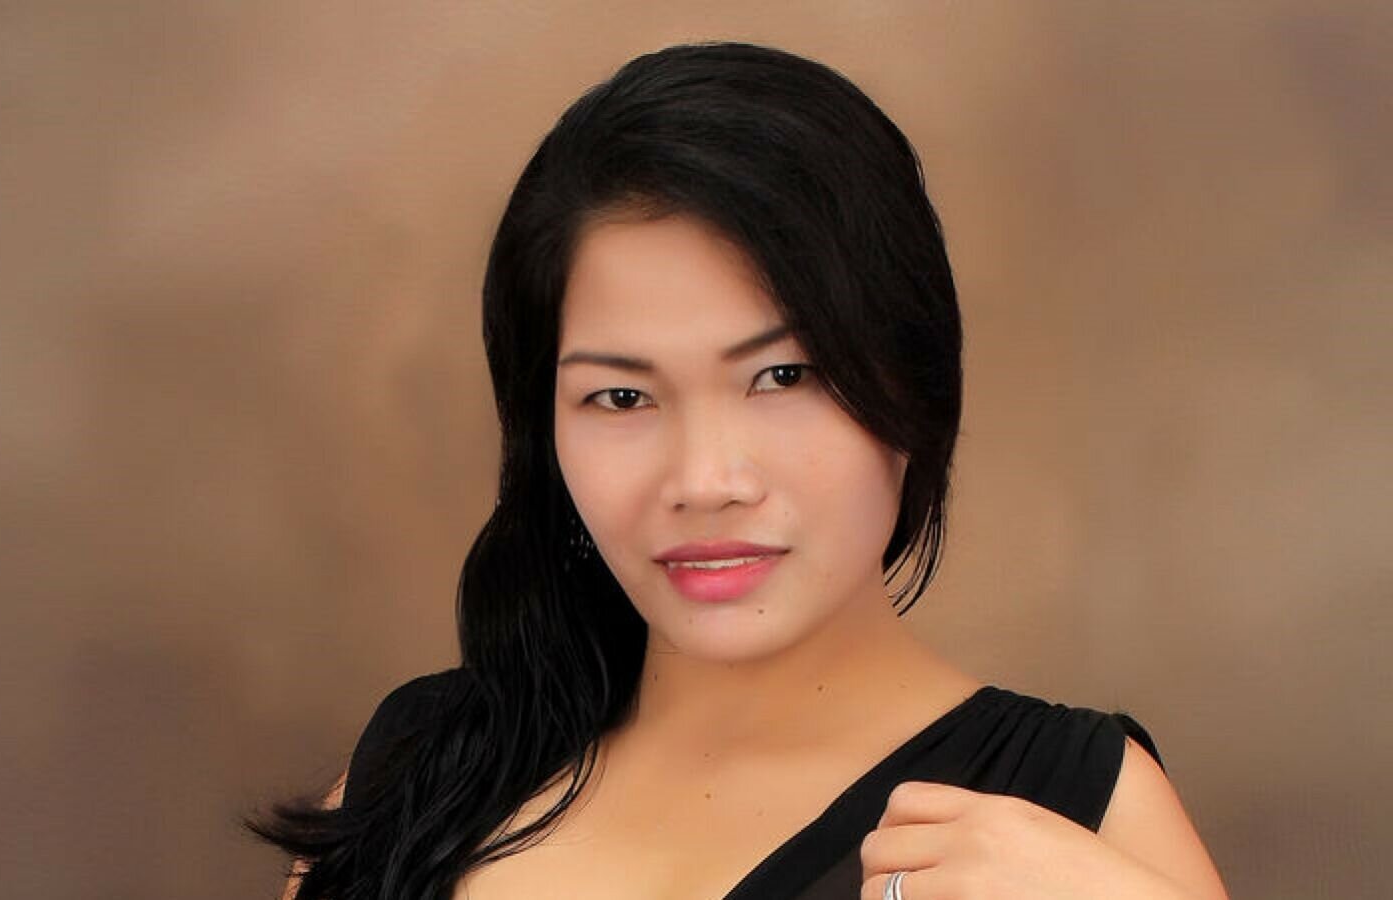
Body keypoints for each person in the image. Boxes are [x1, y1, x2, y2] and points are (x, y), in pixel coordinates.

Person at [252, 42, 1229, 900]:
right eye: (621, 397)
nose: (705, 479)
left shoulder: (1071, 813)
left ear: (915, 384)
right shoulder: (415, 778)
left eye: (783, 377)